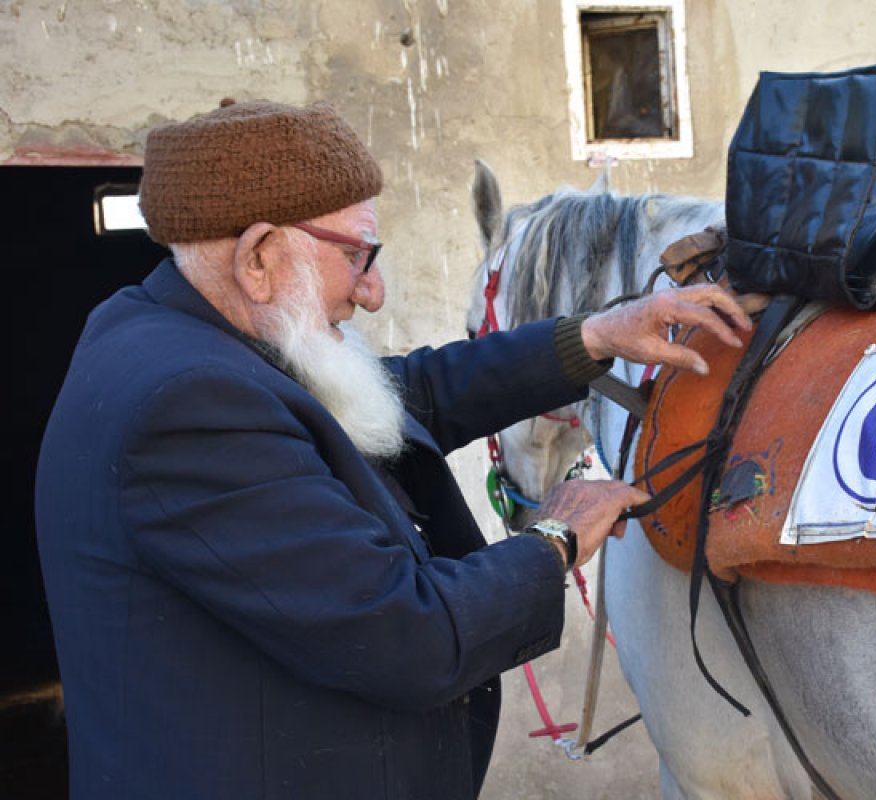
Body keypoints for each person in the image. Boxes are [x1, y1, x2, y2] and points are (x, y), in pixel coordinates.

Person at [34, 98, 751, 800]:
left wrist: (594, 336)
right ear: (259, 257)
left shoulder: (183, 337)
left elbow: (405, 395)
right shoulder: (188, 407)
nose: (371, 293)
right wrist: (556, 536)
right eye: (356, 256)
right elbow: (408, 634)